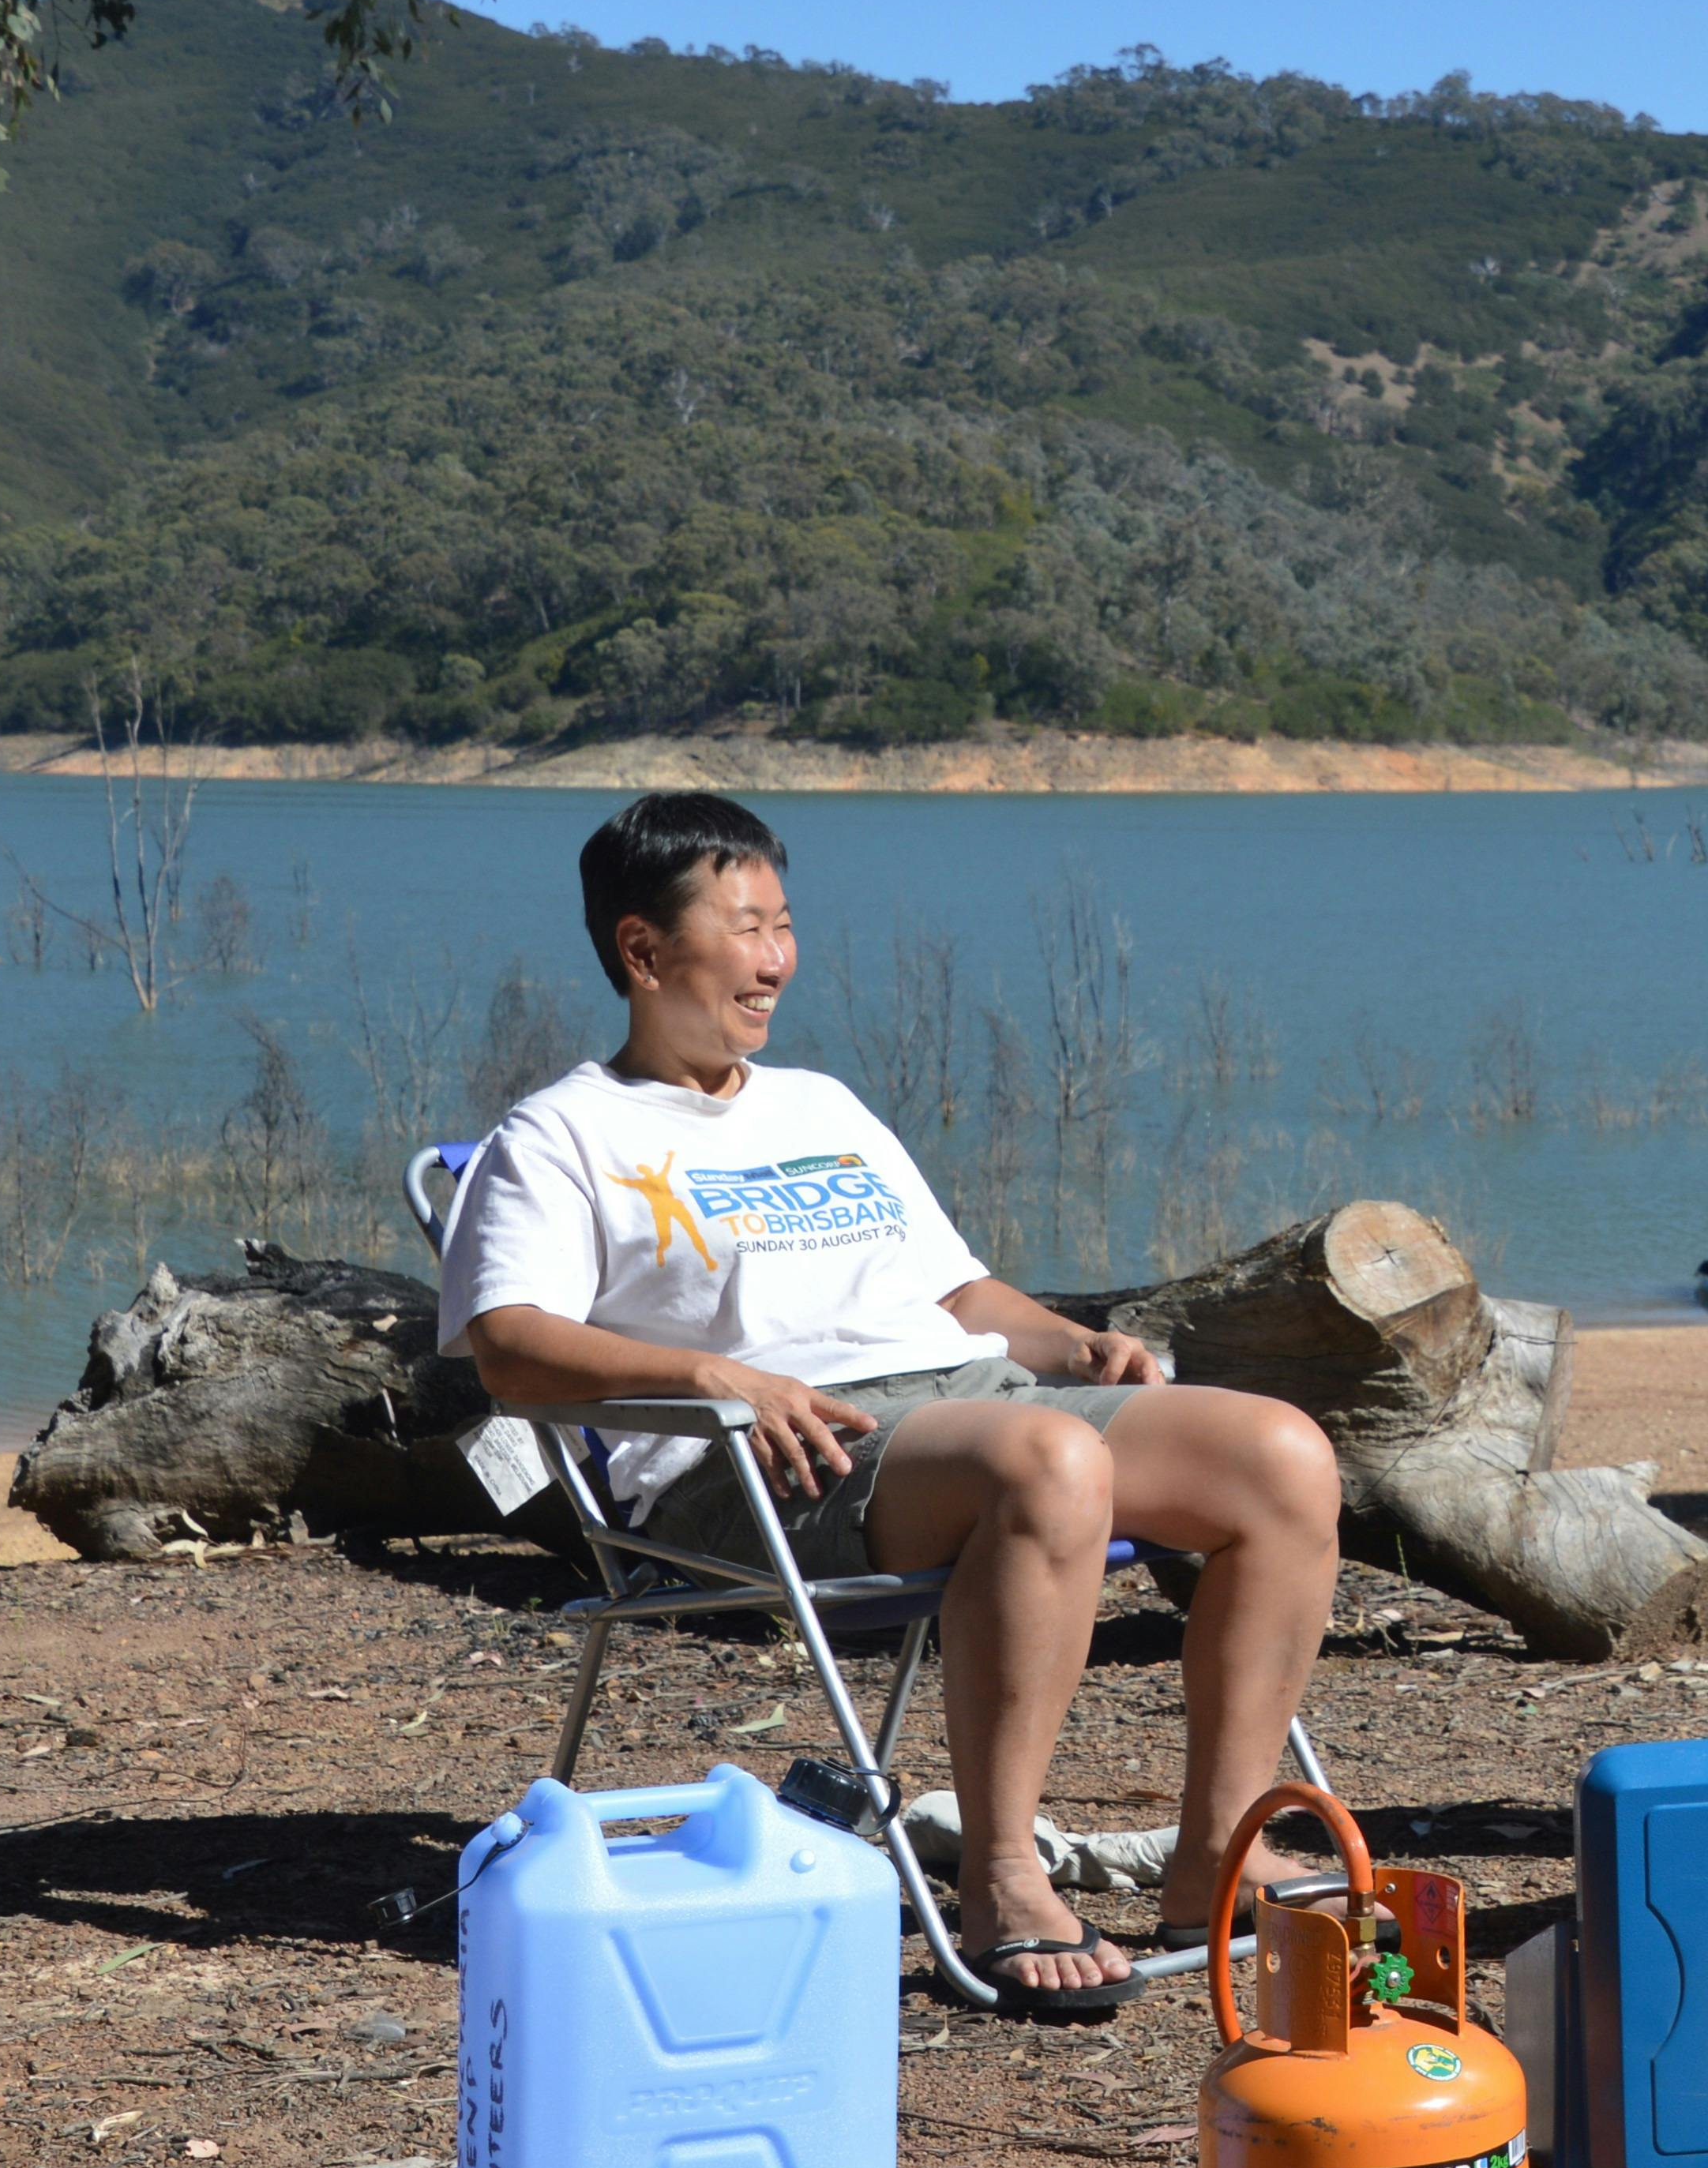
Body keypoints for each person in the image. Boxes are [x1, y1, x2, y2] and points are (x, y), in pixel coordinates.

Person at [435, 791, 1342, 2024]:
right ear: (643, 952)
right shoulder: (557, 1138)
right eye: (747, 926)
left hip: (970, 1406)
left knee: (1280, 1457)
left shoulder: (821, 1107)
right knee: (1047, 1460)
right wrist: (714, 1377)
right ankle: (1005, 1880)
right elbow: (506, 1348)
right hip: (756, 1463)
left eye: (786, 923)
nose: (776, 959)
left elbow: (956, 1291)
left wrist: (1072, 1340)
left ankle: (1219, 1853)